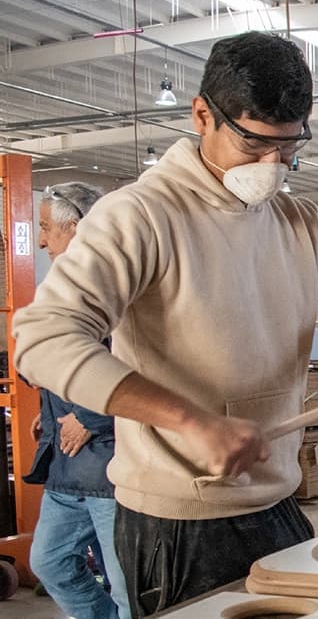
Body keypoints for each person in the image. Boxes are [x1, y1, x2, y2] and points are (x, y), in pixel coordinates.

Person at [13, 31, 318, 617]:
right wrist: (189, 420)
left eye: (287, 151)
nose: (272, 167)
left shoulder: (298, 221)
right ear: (203, 115)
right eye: (255, 145)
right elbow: (43, 340)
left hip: (277, 504)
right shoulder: (139, 217)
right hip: (176, 520)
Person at [22, 183, 129, 619]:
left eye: (47, 228)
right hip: (66, 467)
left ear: (77, 227)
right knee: (49, 562)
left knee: (126, 583)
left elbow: (137, 364)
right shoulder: (65, 288)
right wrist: (49, 416)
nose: (42, 239)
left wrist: (91, 419)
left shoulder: (116, 283)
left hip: (108, 468)